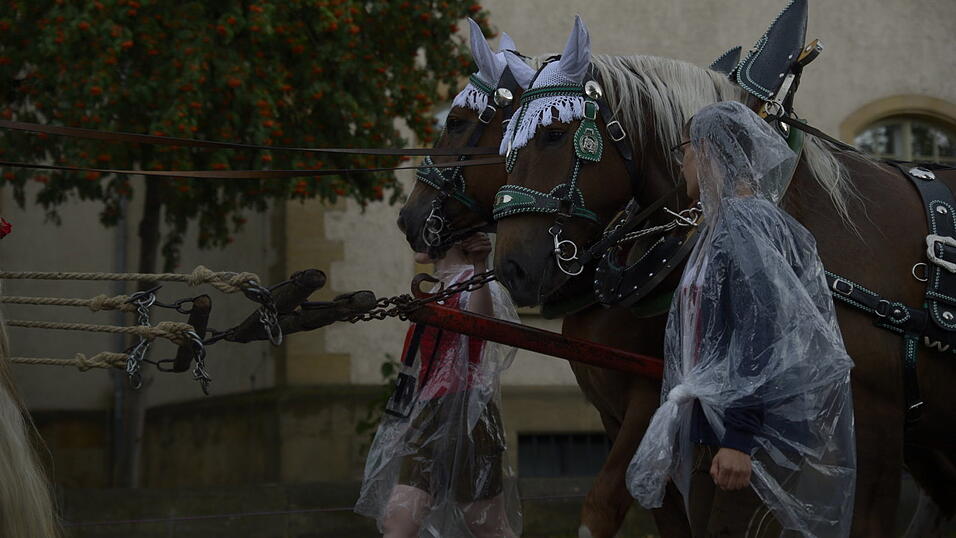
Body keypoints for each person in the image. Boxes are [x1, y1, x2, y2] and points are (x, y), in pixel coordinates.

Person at [626, 101, 856, 538]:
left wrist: (739, 440)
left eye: (686, 152)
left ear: (711, 152)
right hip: (719, 428)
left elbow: (762, 336)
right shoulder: (722, 225)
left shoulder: (745, 224)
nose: (683, 167)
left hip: (748, 435)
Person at [355, 232, 522, 538]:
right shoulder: (437, 288)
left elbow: (483, 326)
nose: (414, 234)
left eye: (427, 227)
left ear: (453, 236)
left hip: (467, 416)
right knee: (398, 521)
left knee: (486, 526)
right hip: (427, 414)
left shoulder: (474, 281)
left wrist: (480, 266)